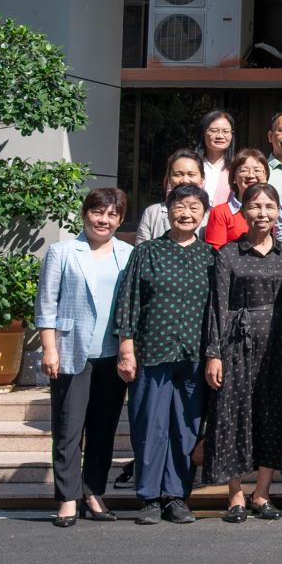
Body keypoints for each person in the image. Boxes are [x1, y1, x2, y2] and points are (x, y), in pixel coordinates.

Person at [112, 183, 216, 526]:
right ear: (167, 211)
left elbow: (216, 311)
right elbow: (129, 300)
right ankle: (149, 497)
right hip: (152, 352)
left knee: (186, 428)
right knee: (149, 425)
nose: (186, 214)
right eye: (179, 207)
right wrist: (126, 348)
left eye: (194, 208)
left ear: (204, 214)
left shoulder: (211, 256)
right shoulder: (147, 252)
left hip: (194, 356)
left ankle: (176, 496)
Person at [35, 187, 133, 526]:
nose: (103, 220)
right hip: (71, 352)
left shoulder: (128, 253)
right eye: (97, 212)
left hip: (112, 355)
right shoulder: (62, 252)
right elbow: (46, 304)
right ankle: (68, 498)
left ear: (120, 219)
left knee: (103, 429)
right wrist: (49, 348)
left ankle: (93, 492)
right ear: (84, 214)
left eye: (112, 215)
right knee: (68, 429)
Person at [200, 181, 282, 523]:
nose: (262, 213)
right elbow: (217, 307)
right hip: (237, 345)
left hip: (278, 347)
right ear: (243, 211)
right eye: (255, 206)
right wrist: (214, 353)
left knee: (273, 415)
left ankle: (262, 492)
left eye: (269, 207)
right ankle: (236, 494)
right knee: (234, 415)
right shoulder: (228, 254)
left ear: (278, 212)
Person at [201, 149, 269, 248]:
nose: (251, 175)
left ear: (265, 176)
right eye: (244, 170)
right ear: (234, 177)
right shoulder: (220, 213)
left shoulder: (272, 211)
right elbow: (216, 252)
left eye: (257, 170)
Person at [135, 150, 205, 244]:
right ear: (169, 179)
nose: (185, 180)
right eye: (178, 174)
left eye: (191, 174)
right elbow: (141, 249)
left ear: (202, 178)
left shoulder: (211, 215)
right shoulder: (152, 212)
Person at [197, 109, 236, 209]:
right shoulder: (189, 164)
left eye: (225, 131)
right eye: (214, 131)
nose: (220, 136)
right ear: (203, 133)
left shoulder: (237, 166)